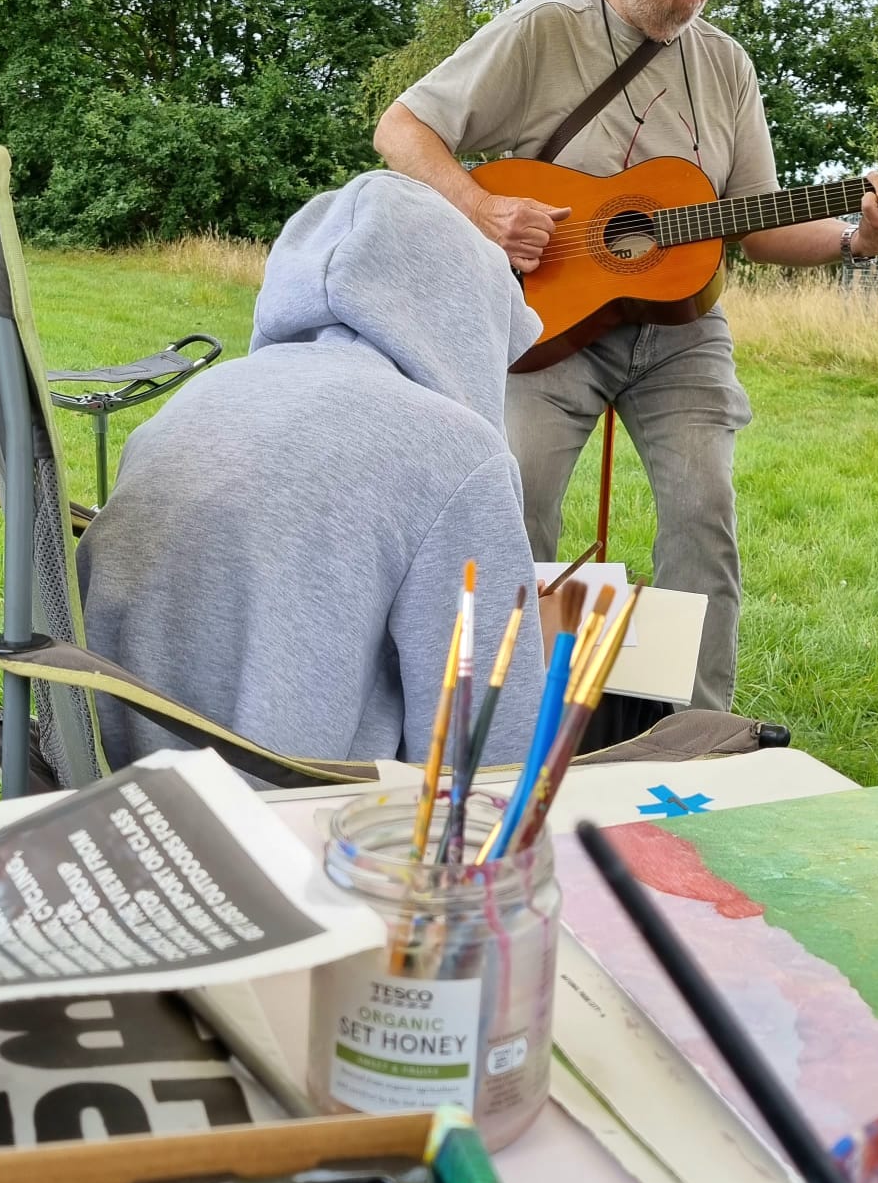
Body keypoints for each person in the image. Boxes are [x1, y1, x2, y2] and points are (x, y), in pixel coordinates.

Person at [374, 0, 878, 710]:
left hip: (683, 335)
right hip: (545, 326)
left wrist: (861, 240)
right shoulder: (541, 33)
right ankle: (496, 718)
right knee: (511, 494)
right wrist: (482, 211)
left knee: (704, 513)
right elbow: (401, 130)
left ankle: (697, 731)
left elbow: (758, 224)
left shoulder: (727, 66)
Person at [78, 171, 546, 773]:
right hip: (298, 824)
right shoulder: (459, 453)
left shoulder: (202, 395)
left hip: (109, 791)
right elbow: (491, 755)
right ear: (463, 315)